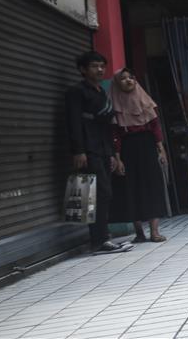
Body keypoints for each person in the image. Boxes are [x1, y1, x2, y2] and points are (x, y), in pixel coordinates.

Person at [65, 51, 126, 254]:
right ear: (83, 69)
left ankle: (102, 237)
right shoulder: (76, 91)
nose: (100, 69)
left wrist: (112, 153)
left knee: (104, 193)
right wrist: (78, 151)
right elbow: (73, 122)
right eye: (94, 66)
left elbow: (106, 126)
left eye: (102, 66)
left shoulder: (101, 92)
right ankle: (99, 240)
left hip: (102, 148)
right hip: (88, 149)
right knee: (96, 193)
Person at [110, 68, 169, 242]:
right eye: (123, 78)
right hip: (127, 149)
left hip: (147, 147)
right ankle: (139, 233)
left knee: (152, 186)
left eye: (131, 77)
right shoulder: (114, 105)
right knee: (130, 188)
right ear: (117, 83)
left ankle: (155, 232)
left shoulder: (144, 100)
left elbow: (155, 127)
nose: (128, 80)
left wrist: (161, 150)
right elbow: (114, 134)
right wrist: (118, 158)